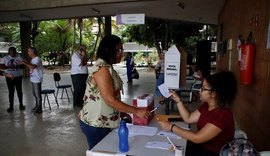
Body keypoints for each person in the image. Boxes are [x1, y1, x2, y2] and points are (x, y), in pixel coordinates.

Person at [78, 34, 150, 150]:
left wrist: (121, 112)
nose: (121, 53)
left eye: (122, 50)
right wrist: (136, 111)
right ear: (108, 50)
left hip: (104, 121)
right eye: (119, 50)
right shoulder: (102, 69)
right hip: (96, 123)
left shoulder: (109, 68)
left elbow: (112, 96)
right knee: (100, 152)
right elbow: (110, 100)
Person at [157, 71, 237, 156]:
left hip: (212, 153)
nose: (199, 90)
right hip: (201, 147)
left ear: (213, 94)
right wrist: (178, 101)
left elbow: (197, 138)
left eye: (203, 88)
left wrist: (171, 127)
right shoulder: (207, 105)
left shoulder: (222, 114)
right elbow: (188, 118)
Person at [21, 47, 44, 114]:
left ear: (32, 52)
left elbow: (33, 67)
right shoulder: (32, 59)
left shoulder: (37, 59)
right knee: (34, 94)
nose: (28, 53)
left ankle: (39, 109)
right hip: (33, 78)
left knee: (38, 95)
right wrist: (26, 62)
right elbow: (30, 66)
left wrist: (25, 63)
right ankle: (37, 106)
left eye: (29, 51)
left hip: (37, 79)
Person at [2, 47, 25, 113]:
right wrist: (9, 67)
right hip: (9, 77)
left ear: (15, 52)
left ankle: (21, 104)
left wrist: (17, 66)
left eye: (13, 52)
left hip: (18, 76)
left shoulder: (19, 57)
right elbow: (2, 67)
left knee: (19, 90)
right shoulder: (5, 58)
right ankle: (11, 106)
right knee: (11, 91)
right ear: (9, 52)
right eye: (10, 52)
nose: (12, 53)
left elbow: (23, 67)